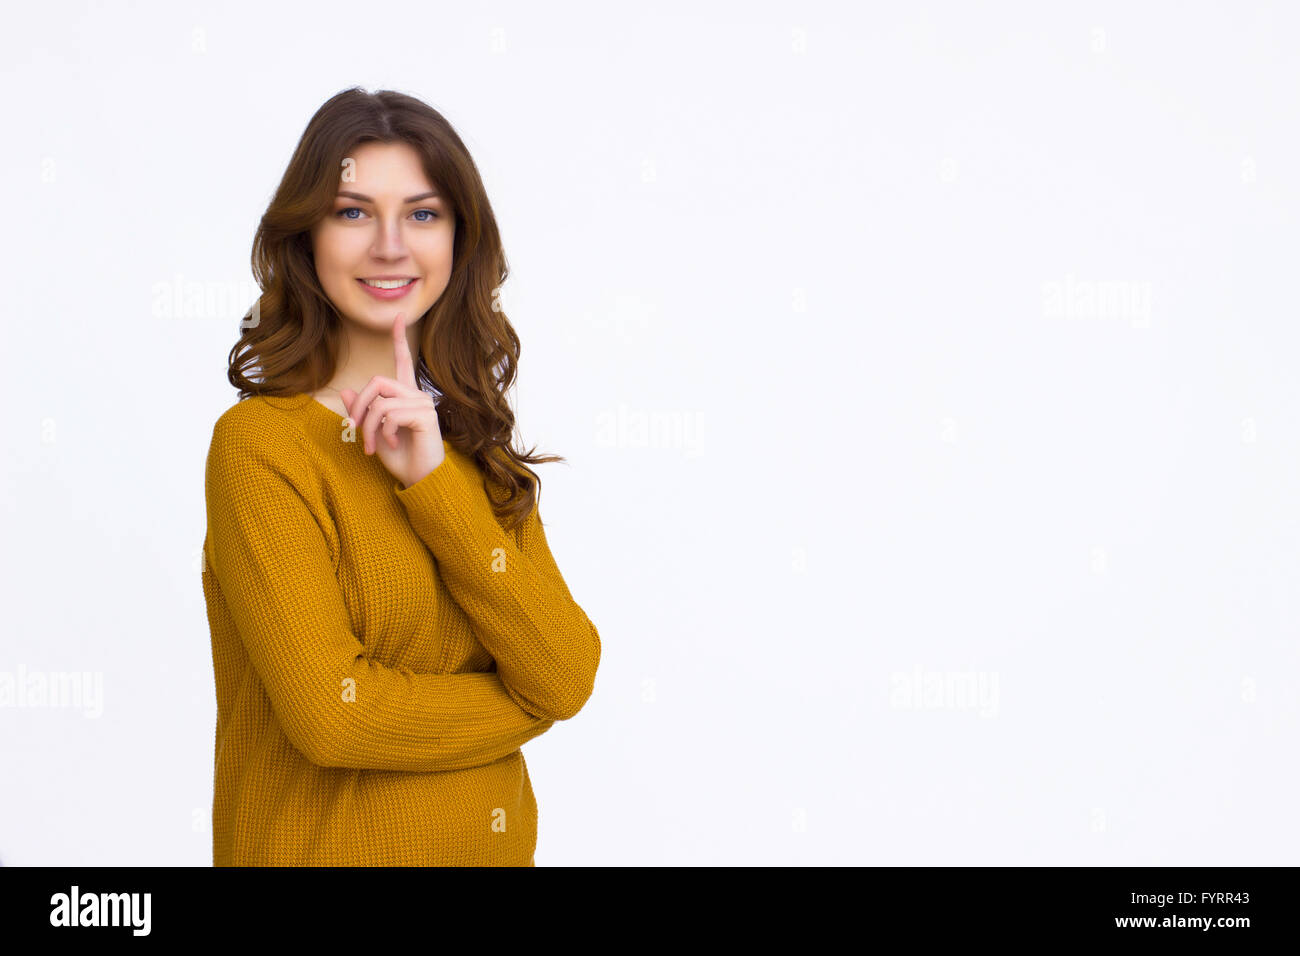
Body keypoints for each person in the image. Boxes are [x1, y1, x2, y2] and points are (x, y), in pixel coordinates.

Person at [200, 87, 601, 866]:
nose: (390, 246)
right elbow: (332, 718)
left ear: (459, 240)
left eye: (423, 214)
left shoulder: (473, 448)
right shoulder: (262, 448)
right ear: (307, 236)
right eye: (353, 212)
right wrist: (522, 702)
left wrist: (434, 485)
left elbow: (566, 669)